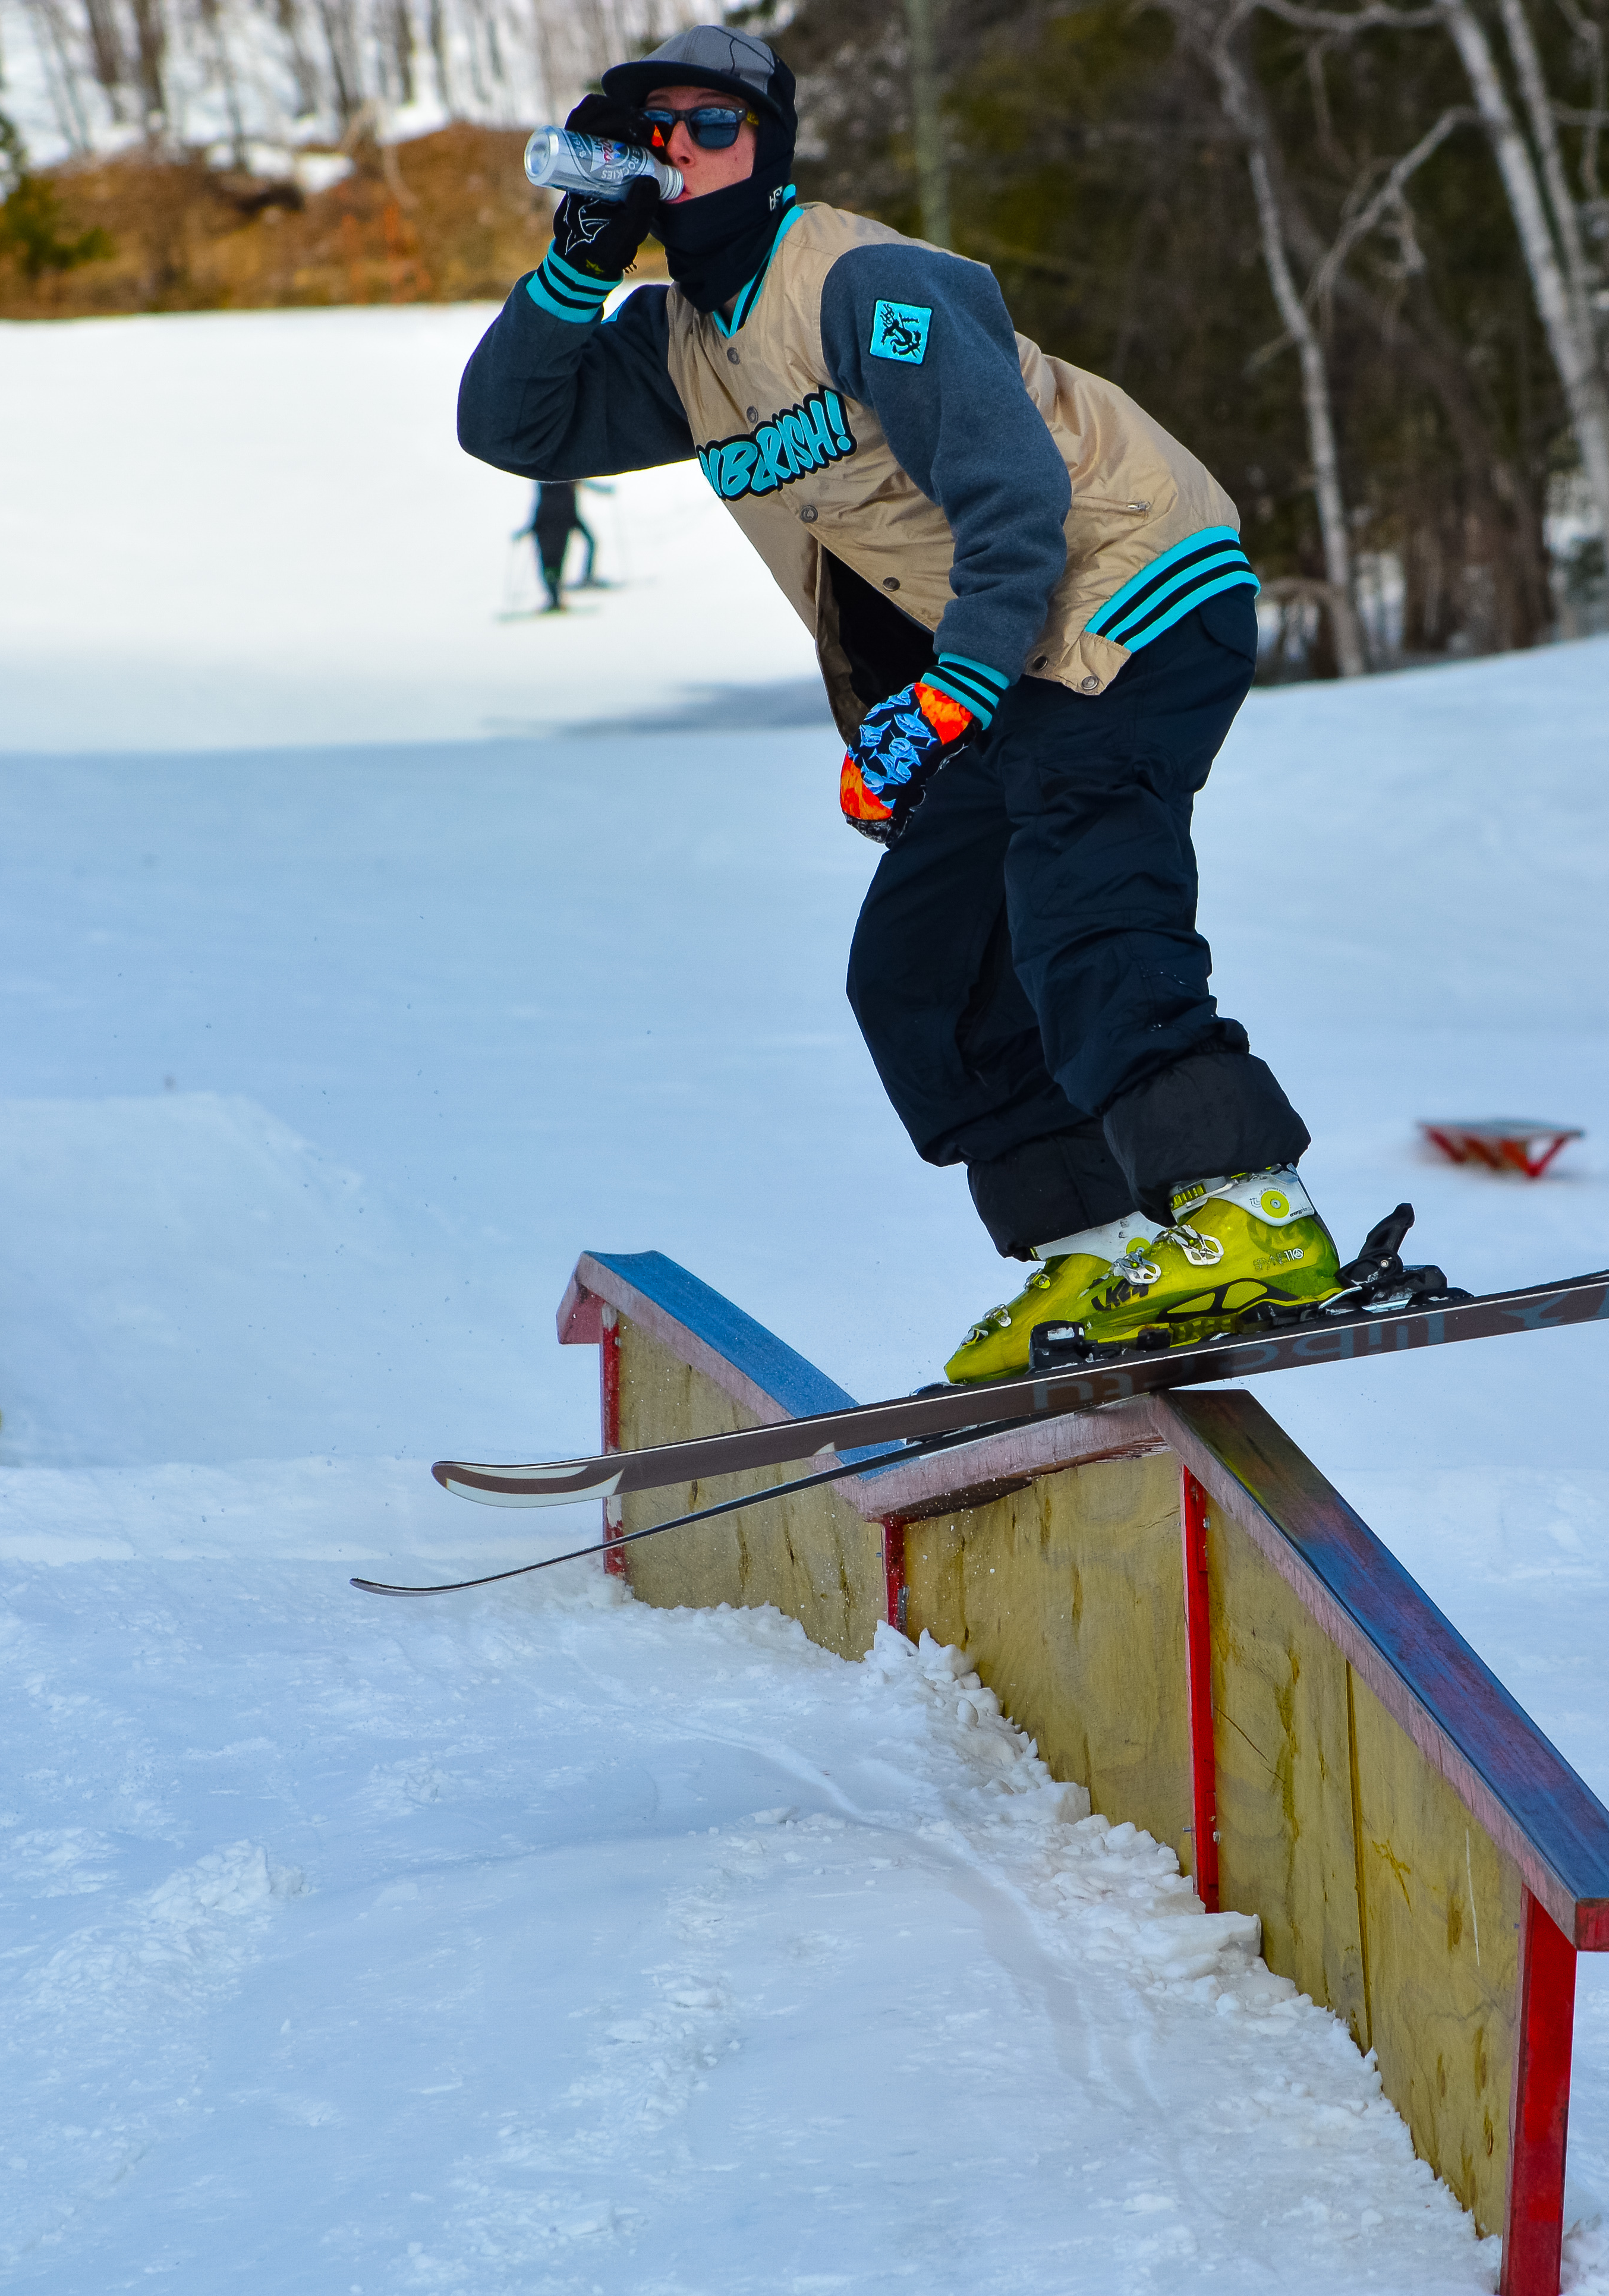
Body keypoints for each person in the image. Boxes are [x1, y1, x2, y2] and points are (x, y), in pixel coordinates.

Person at [458, 24, 1333, 1385]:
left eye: (711, 126)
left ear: (769, 149)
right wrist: (576, 270)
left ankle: (1248, 1206)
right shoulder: (678, 344)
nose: (679, 150)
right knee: (920, 970)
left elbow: (1014, 497)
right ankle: (1094, 1249)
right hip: (1003, 657)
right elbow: (511, 428)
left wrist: (949, 697)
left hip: (1128, 586)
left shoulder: (865, 284)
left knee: (1080, 890)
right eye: (651, 132)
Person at [521, 479, 596, 611]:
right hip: (558, 523)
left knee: (550, 565)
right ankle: (556, 600)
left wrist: (531, 527)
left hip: (550, 525)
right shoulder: (563, 478)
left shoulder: (548, 479)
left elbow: (542, 502)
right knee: (555, 564)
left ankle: (555, 601)